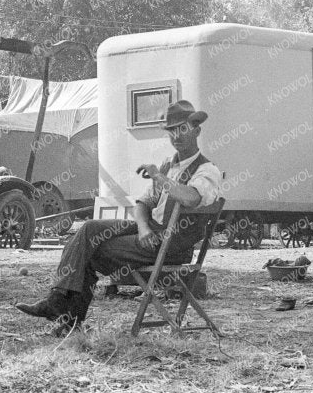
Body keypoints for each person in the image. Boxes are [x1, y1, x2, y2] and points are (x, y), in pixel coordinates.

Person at [15, 99, 223, 333]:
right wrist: (143, 228)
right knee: (88, 230)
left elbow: (191, 198)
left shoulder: (207, 171)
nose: (177, 136)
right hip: (152, 232)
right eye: (172, 131)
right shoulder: (167, 166)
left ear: (197, 130)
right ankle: (59, 304)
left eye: (183, 129)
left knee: (87, 250)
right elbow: (143, 203)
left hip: (172, 245)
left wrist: (159, 177)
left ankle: (65, 315)